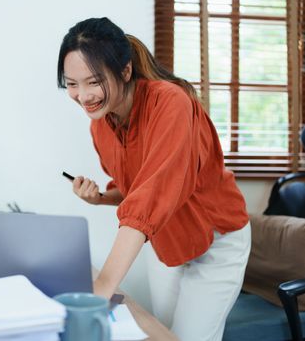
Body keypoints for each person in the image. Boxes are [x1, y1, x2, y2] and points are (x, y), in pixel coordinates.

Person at [57, 17, 251, 341]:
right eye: (72, 83)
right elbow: (136, 187)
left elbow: (154, 192)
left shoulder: (171, 103)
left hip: (216, 238)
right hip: (166, 238)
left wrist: (103, 286)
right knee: (160, 332)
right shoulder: (100, 124)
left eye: (93, 81)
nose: (83, 95)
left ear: (125, 71)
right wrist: (101, 198)